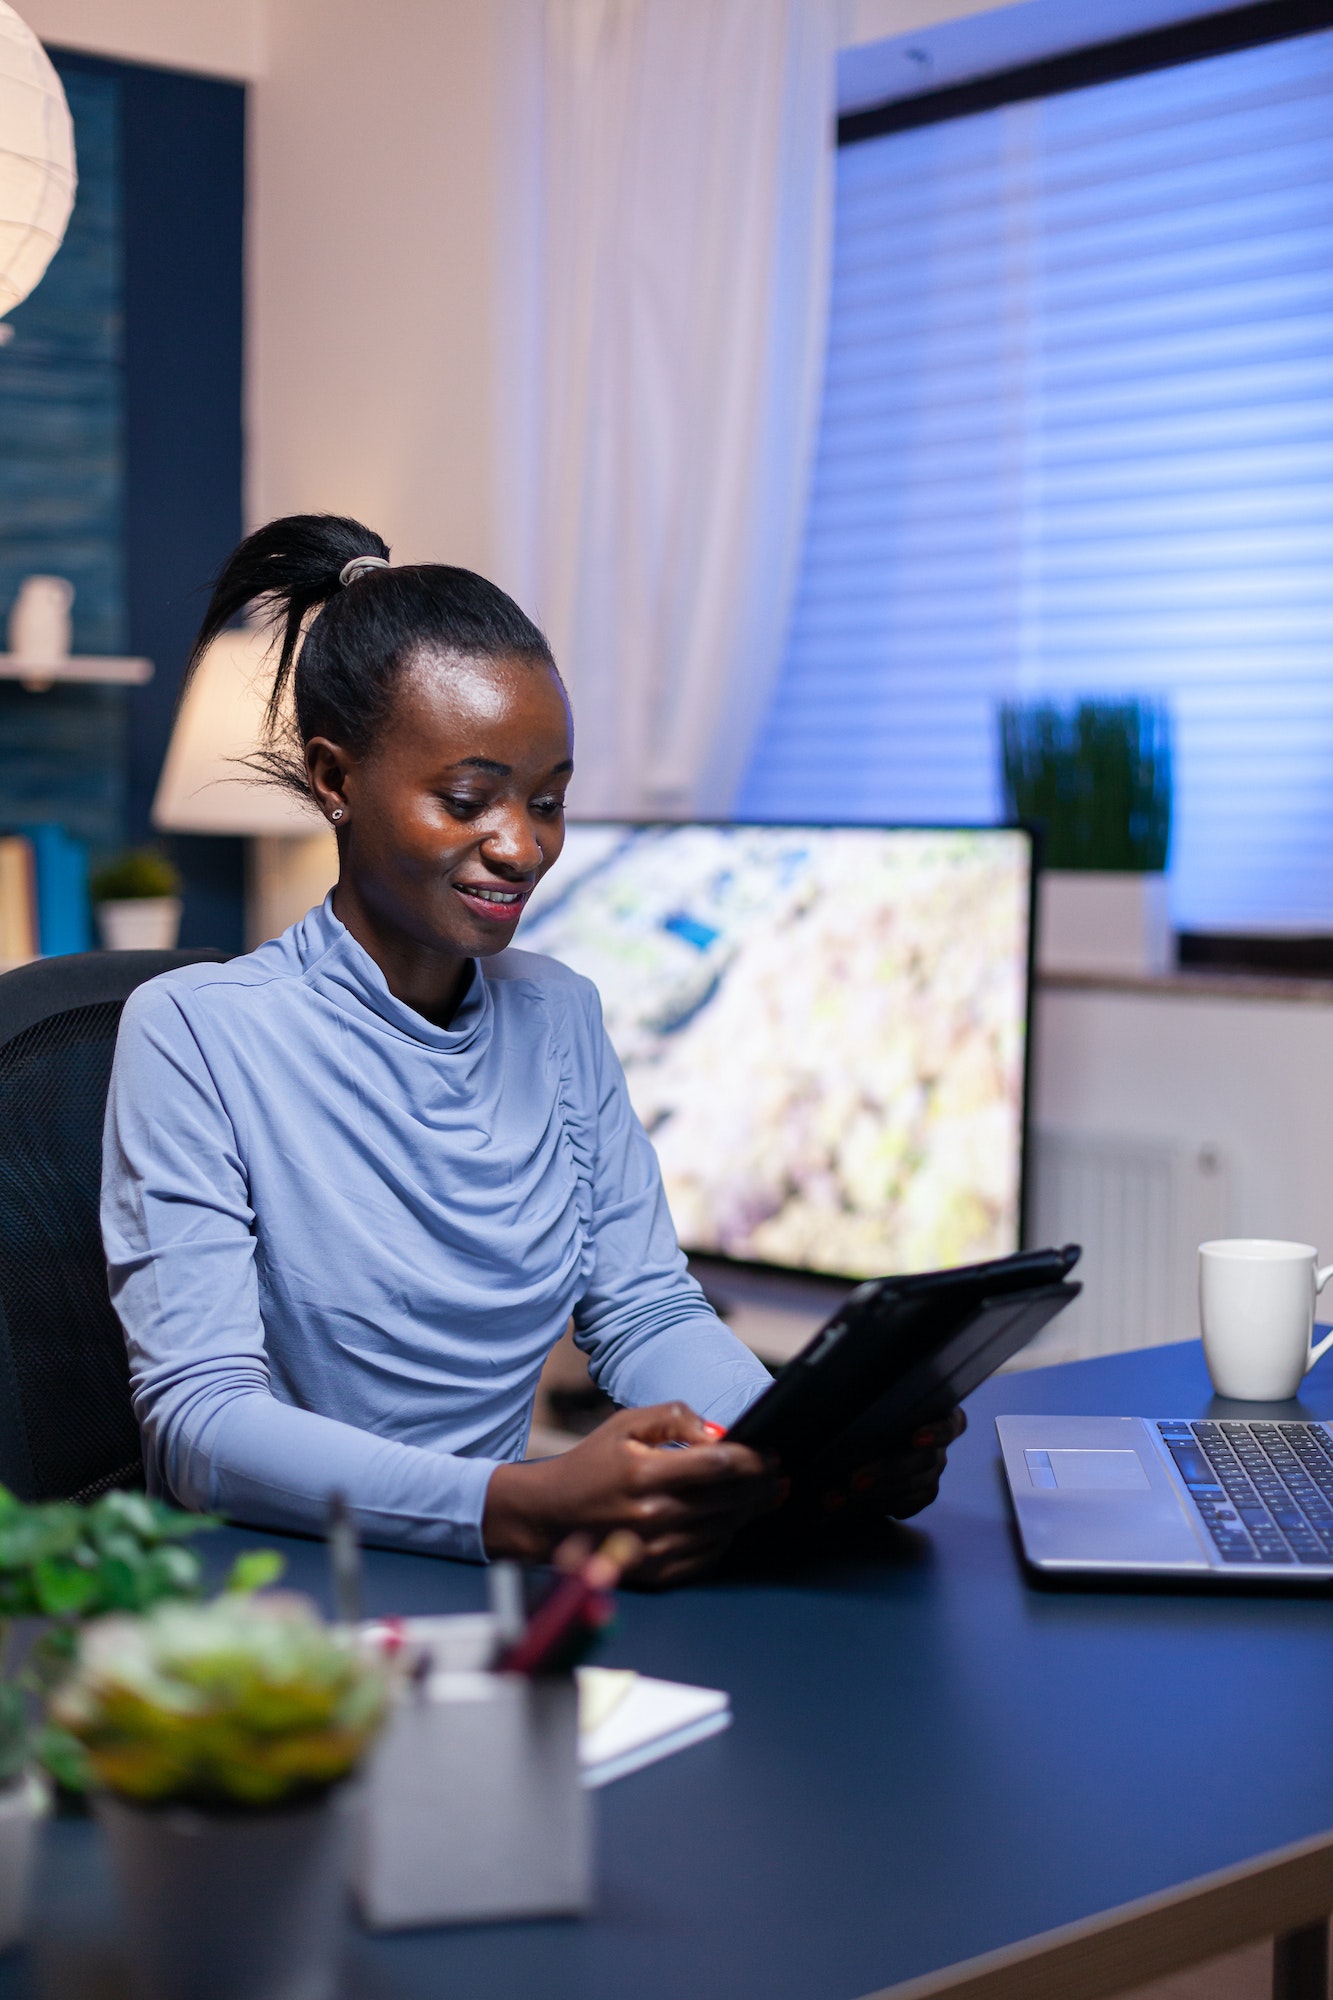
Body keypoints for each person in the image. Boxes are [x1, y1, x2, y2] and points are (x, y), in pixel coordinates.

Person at [102, 514, 962, 1585]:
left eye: (546, 800)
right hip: (281, 1600)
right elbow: (200, 1424)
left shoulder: (557, 1016)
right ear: (334, 778)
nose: (521, 844)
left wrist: (791, 1448)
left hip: (502, 1578)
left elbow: (644, 1306)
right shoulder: (195, 1033)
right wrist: (519, 1503)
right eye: (467, 799)